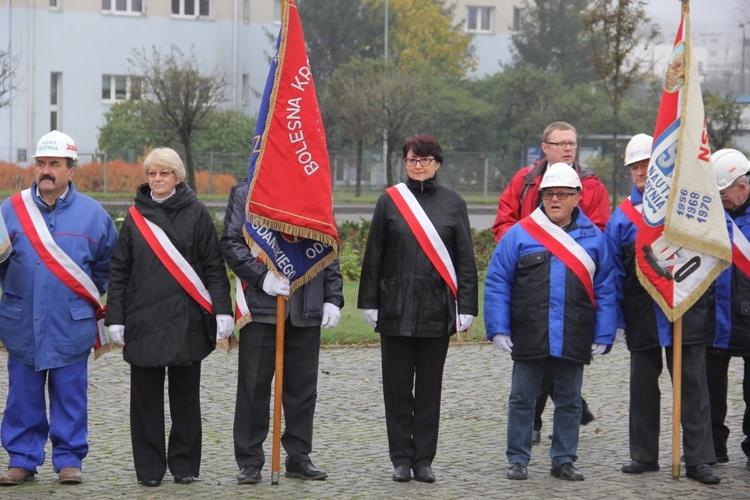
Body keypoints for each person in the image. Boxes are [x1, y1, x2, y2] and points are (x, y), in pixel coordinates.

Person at [105, 147, 234, 487]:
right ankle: (149, 469)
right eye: (152, 174)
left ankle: (185, 465)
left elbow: (213, 268)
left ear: (178, 176)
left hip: (186, 320)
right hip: (143, 320)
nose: (157, 179)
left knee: (186, 398)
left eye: (164, 173)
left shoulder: (197, 213)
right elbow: (119, 270)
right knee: (145, 400)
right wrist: (114, 316)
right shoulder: (135, 218)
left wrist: (223, 309)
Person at [358, 133, 478, 483]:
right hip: (394, 309)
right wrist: (369, 301)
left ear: (437, 163)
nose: (418, 166)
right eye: (412, 159)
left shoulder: (454, 203)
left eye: (425, 160)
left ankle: (424, 458)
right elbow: (374, 254)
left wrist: (466, 305)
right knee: (397, 389)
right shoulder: (389, 201)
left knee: (429, 389)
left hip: (435, 310)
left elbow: (465, 260)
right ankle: (400, 458)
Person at [485, 162, 616, 482]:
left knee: (570, 400)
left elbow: (607, 287)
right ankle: (517, 458)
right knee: (521, 398)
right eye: (548, 194)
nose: (554, 199)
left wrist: (606, 331)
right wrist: (498, 327)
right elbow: (498, 282)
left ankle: (564, 460)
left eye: (562, 194)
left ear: (577, 197)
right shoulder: (519, 234)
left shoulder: (595, 240)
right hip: (529, 330)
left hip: (574, 330)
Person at [0, 130, 117, 486]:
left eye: (54, 164)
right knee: (23, 397)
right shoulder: (10, 210)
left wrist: (79, 299)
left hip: (70, 325)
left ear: (71, 170)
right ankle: (22, 460)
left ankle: (69, 460)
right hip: (21, 324)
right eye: (41, 164)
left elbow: (106, 267)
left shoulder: (94, 215)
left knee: (70, 396)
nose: (46, 170)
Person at [603, 134, 720, 485]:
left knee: (694, 388)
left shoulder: (687, 207)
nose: (641, 171)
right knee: (642, 388)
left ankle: (699, 459)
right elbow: (611, 274)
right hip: (642, 317)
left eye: (646, 165)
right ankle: (643, 455)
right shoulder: (621, 217)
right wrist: (616, 323)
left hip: (686, 311)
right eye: (635, 166)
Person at [220, 179, 344, 485]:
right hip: (263, 306)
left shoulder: (314, 187)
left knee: (303, 390)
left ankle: (299, 456)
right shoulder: (245, 192)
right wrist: (262, 278)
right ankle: (250, 460)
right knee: (253, 388)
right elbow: (232, 243)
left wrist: (332, 298)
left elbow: (328, 245)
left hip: (306, 305)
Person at [492, 121, 607, 443]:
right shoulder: (524, 180)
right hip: (530, 277)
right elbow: (505, 220)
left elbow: (597, 230)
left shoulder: (592, 186)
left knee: (556, 354)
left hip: (573, 278)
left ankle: (541, 423)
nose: (568, 148)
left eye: (572, 143)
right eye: (560, 143)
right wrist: (520, 250)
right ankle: (537, 422)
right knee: (535, 355)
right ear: (545, 148)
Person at [707, 148, 750, 470]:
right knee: (709, 391)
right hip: (713, 316)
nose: (719, 199)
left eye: (723, 193)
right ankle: (712, 447)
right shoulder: (709, 214)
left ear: (743, 187)